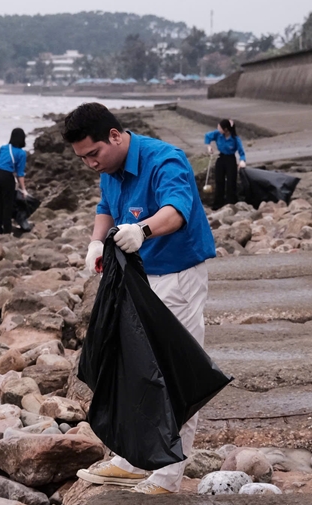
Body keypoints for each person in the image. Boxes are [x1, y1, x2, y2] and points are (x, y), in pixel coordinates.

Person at [64, 103, 216, 495]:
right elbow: (105, 207)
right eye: (82, 159)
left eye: (93, 154)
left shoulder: (165, 160)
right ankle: (132, 459)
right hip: (138, 279)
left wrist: (143, 231)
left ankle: (167, 477)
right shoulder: (109, 170)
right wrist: (98, 241)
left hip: (177, 276)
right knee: (131, 365)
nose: (90, 164)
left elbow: (178, 210)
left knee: (173, 374)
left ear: (115, 136)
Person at [203, 119, 247, 210]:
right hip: (221, 158)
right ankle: (218, 204)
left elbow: (241, 152)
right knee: (219, 181)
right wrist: (209, 146)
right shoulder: (218, 134)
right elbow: (207, 136)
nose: (218, 129)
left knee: (231, 182)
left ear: (226, 129)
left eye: (220, 127)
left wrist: (242, 160)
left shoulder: (235, 138)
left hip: (230, 159)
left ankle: (231, 203)